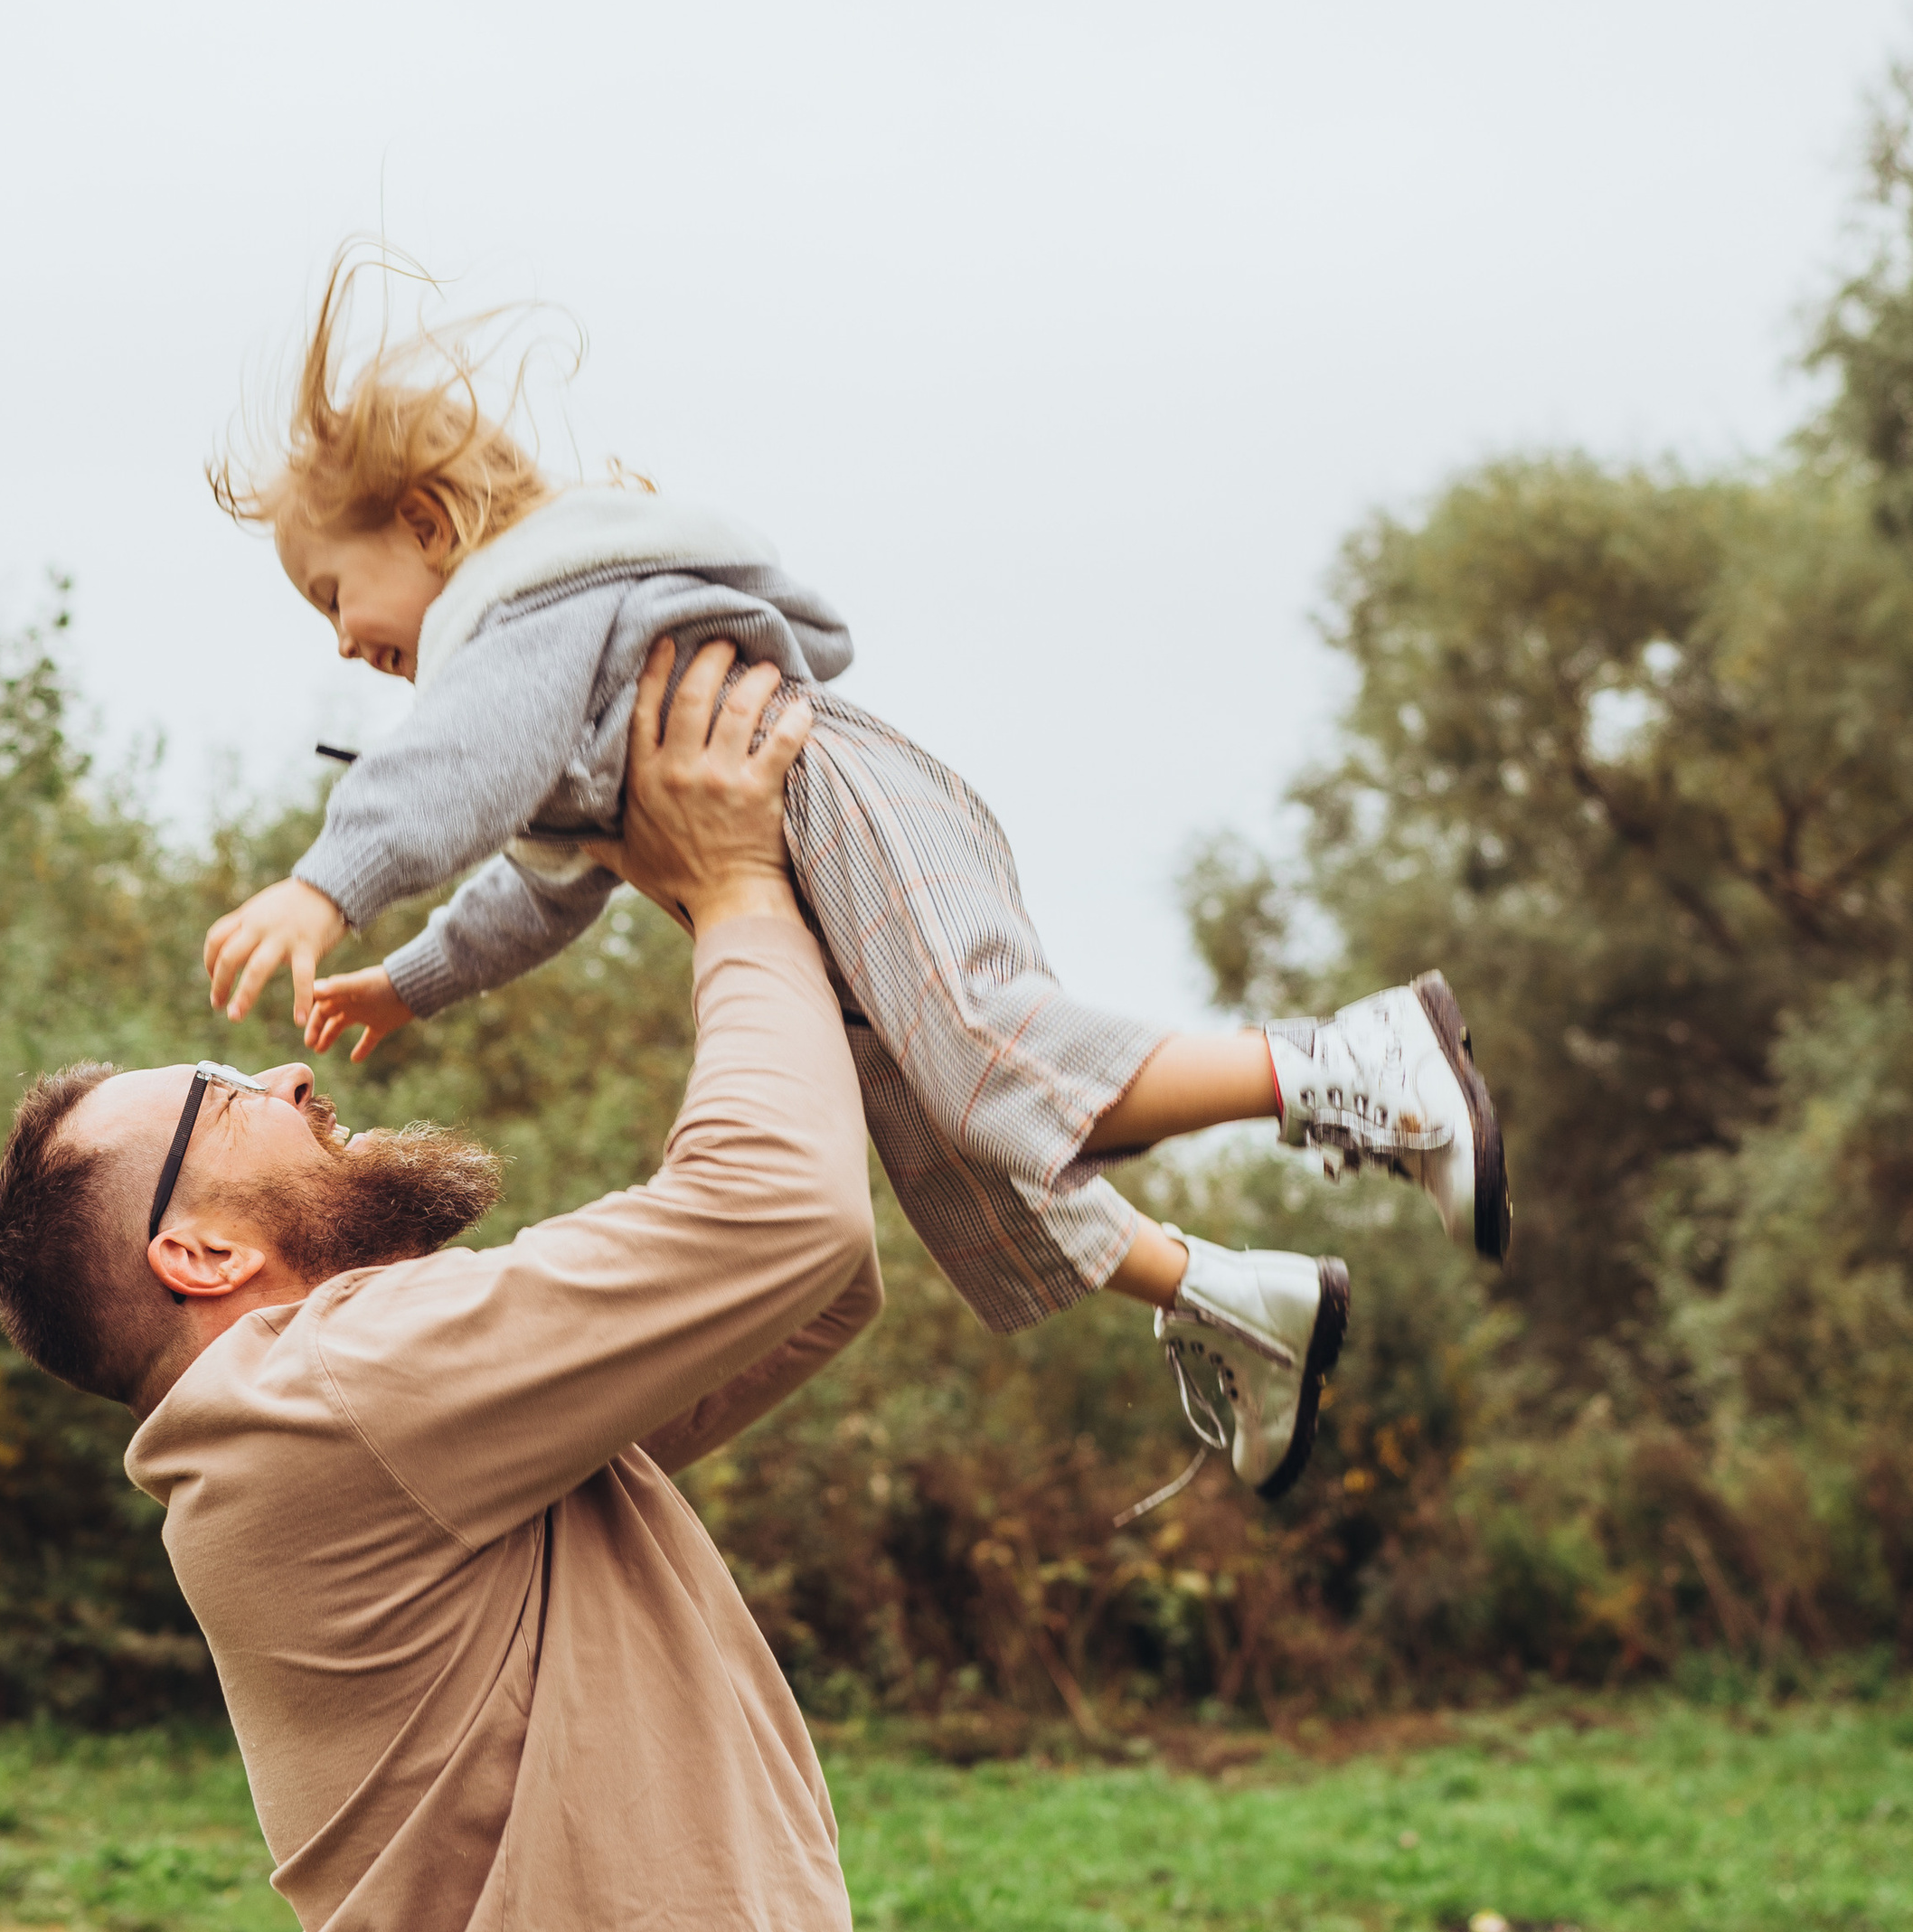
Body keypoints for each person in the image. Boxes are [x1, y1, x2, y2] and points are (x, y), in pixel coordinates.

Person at [0, 646, 894, 1932]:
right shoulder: (321, 1398)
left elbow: (786, 1271)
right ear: (190, 1243)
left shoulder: (374, 1412)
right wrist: (723, 883)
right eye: (226, 1087)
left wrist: (713, 899)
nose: (290, 1066)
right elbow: (776, 1213)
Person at [198, 262, 1510, 1507]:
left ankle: (1356, 1065)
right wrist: (418, 980)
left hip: (839, 806)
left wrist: (327, 885)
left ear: (426, 526)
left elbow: (447, 767)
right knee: (958, 1155)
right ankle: (1232, 1300)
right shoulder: (536, 690)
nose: (342, 639)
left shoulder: (515, 616)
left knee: (993, 1064)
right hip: (805, 864)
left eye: (333, 591)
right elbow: (545, 885)